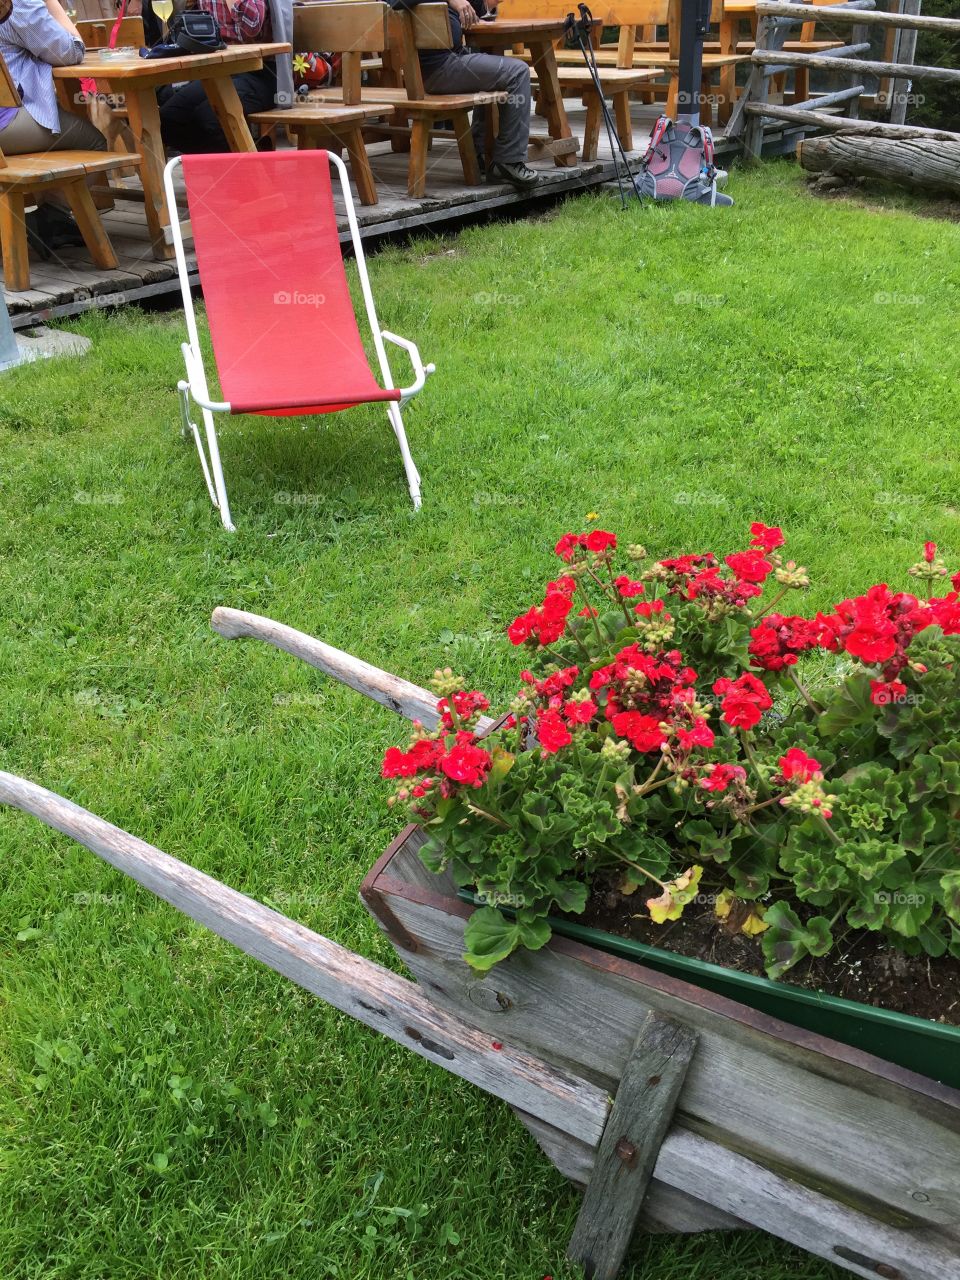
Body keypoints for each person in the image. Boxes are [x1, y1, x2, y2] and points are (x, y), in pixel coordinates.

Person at [393, 0, 538, 190]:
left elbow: (470, 7)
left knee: (498, 72)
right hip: (437, 69)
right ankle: (508, 162)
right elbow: (393, 3)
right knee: (517, 72)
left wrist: (488, 4)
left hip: (450, 59)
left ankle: (479, 151)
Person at [0, 0, 108, 249]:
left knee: (56, 127)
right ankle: (52, 217)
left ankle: (48, 218)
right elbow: (70, 52)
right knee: (93, 141)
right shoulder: (20, 4)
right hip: (6, 124)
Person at [157, 0, 278, 153]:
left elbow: (251, 27)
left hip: (262, 72)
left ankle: (244, 164)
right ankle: (249, 153)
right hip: (219, 72)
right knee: (168, 119)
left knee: (209, 117)